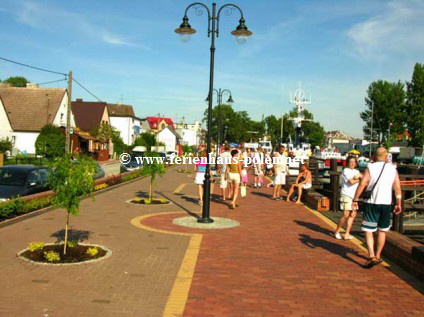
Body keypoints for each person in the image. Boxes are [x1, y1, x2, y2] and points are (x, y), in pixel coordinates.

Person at [352, 147, 402, 268]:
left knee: (369, 230)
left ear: (374, 156)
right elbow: (397, 188)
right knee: (382, 231)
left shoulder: (371, 167)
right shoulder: (392, 169)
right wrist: (398, 203)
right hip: (386, 204)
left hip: (372, 203)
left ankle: (371, 255)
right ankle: (378, 255)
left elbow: (363, 183)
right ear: (386, 157)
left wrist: (355, 199)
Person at [334, 156, 362, 240]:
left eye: (354, 162)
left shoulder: (357, 171)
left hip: (354, 196)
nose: (352, 163)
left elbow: (364, 179)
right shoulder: (345, 171)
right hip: (346, 194)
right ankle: (337, 231)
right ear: (347, 163)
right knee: (346, 214)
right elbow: (351, 182)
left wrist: (359, 177)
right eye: (350, 162)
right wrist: (359, 179)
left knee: (353, 214)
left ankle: (347, 233)